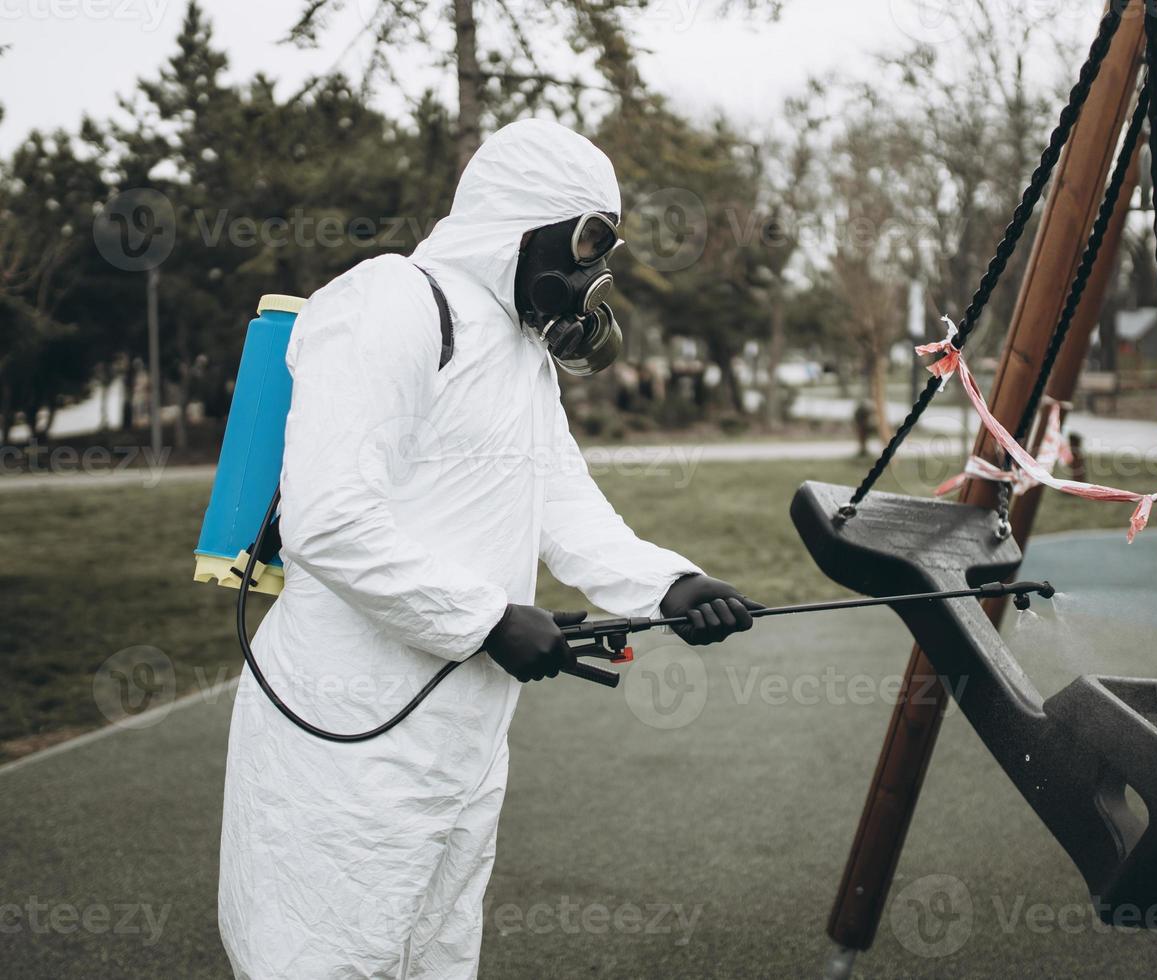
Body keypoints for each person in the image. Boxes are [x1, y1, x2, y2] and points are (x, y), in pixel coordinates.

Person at [218, 118, 758, 979]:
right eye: (584, 244)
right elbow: (328, 517)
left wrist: (672, 586)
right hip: (346, 728)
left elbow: (563, 507)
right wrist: (484, 619)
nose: (591, 275)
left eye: (602, 250)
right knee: (323, 957)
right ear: (519, 220)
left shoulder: (521, 351)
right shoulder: (390, 300)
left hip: (461, 734)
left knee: (435, 956)